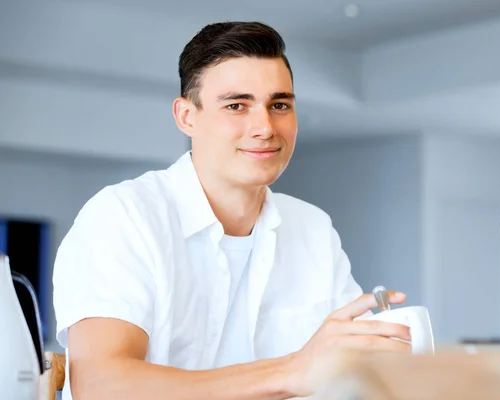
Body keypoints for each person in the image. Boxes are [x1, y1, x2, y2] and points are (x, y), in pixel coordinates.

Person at [52, 21, 411, 400]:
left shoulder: (312, 228)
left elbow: (353, 375)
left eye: (279, 105)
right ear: (186, 117)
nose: (264, 127)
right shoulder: (124, 216)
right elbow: (102, 386)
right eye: (237, 105)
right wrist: (292, 370)